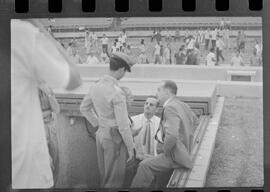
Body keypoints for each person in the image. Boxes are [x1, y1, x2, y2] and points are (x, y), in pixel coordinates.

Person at [11, 19, 81, 188]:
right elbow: (74, 78)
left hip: (48, 126)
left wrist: (49, 94)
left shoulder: (44, 89)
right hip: (26, 167)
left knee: (56, 158)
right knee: (48, 163)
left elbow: (56, 109)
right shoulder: (19, 33)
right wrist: (38, 27)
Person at [80, 52, 136, 188]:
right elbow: (123, 125)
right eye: (125, 71)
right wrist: (130, 147)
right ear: (121, 69)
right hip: (114, 137)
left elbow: (84, 108)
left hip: (101, 134)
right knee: (114, 179)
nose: (124, 75)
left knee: (104, 175)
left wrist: (98, 123)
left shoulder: (95, 86)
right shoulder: (117, 92)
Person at [131, 80, 198, 188]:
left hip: (175, 155)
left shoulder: (170, 107)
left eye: (159, 90)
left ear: (167, 92)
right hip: (183, 151)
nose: (156, 93)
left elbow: (172, 135)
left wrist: (165, 150)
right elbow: (195, 121)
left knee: (144, 166)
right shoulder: (182, 104)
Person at [38, 82, 61, 186]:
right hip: (38, 129)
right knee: (45, 164)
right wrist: (48, 111)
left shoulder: (47, 87)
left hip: (51, 127)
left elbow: (57, 109)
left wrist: (50, 95)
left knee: (55, 162)